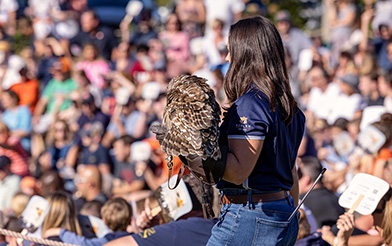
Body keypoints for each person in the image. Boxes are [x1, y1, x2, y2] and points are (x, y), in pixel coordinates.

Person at [161, 16, 305, 246]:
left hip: (251, 214)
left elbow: (238, 172)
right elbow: (291, 172)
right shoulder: (290, 107)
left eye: (231, 51)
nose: (227, 58)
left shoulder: (251, 103)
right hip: (279, 211)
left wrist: (191, 148)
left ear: (246, 53)